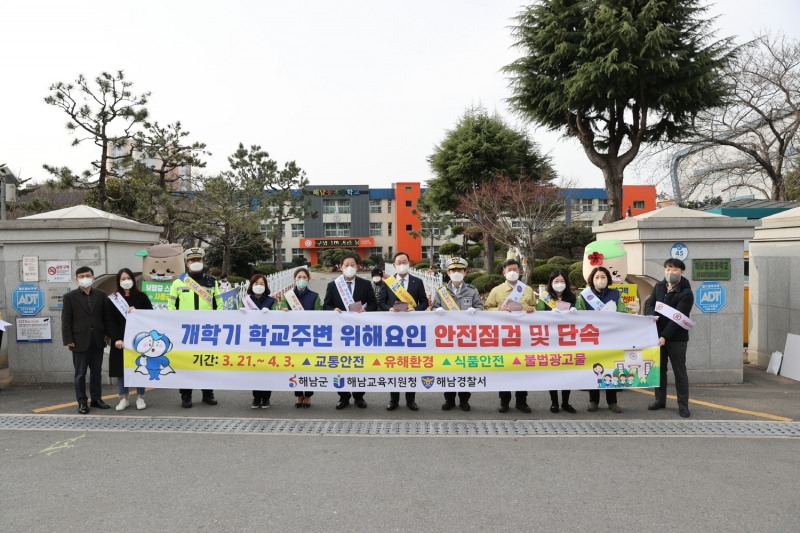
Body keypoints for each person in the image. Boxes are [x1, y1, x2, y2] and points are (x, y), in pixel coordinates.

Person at [168, 247, 223, 408]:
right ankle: (186, 395)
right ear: (187, 263)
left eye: (198, 260)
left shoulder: (212, 282)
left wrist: (217, 322)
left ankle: (208, 393)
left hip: (207, 331)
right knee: (186, 364)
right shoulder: (178, 282)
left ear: (203, 261)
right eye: (192, 260)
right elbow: (171, 306)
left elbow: (219, 304)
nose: (196, 263)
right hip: (186, 331)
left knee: (207, 363)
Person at [323, 253, 378, 409]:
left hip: (360, 332)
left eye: (352, 265)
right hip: (340, 333)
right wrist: (333, 309)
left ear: (358, 266)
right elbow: (326, 306)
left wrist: (366, 311)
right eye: (346, 265)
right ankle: (343, 396)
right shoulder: (333, 285)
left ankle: (359, 396)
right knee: (341, 364)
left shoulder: (365, 284)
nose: (349, 268)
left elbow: (374, 305)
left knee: (359, 364)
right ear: (340, 267)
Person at [485, 259, 537, 413]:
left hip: (523, 337)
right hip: (503, 337)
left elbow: (535, 308)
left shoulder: (527, 290)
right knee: (504, 369)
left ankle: (522, 401)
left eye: (515, 269)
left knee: (522, 369)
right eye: (509, 269)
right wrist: (499, 311)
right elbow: (487, 309)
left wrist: (531, 310)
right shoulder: (496, 291)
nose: (512, 271)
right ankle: (504, 401)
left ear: (520, 271)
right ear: (504, 272)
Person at [431, 257, 483, 411]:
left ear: (465, 272)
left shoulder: (472, 290)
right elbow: (433, 308)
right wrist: (436, 311)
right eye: (453, 270)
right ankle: (449, 399)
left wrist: (475, 311)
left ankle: (464, 400)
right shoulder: (441, 292)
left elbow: (480, 308)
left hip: (466, 337)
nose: (456, 273)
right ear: (448, 272)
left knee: (465, 369)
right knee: (448, 369)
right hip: (447, 337)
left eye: (459, 270)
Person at [645, 258, 695, 418]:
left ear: (682, 271)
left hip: (677, 338)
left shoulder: (686, 293)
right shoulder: (659, 286)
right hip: (657, 335)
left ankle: (683, 405)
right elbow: (649, 304)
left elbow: (678, 318)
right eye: (667, 269)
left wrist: (665, 336)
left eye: (674, 270)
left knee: (679, 372)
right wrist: (652, 316)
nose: (670, 272)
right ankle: (660, 400)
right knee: (659, 371)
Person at [576, 265, 627, 413]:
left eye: (603, 277)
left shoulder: (615, 294)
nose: (600, 280)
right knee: (594, 368)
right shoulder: (584, 296)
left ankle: (612, 401)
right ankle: (593, 400)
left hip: (611, 338)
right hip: (591, 338)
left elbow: (622, 312)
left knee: (611, 368)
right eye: (597, 277)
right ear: (591, 279)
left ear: (608, 279)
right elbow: (579, 315)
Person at [61, 266, 110, 414]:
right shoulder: (69, 297)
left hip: (97, 340)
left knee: (96, 372)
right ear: (76, 279)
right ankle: (82, 402)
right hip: (78, 340)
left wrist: (107, 334)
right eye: (81, 276)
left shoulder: (101, 295)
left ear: (93, 277)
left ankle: (96, 399)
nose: (85, 278)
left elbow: (106, 317)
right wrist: (68, 339)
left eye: (88, 275)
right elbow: (66, 320)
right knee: (80, 373)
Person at [385, 251, 429, 411]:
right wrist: (388, 308)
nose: (402, 264)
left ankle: (411, 400)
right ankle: (393, 400)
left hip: (412, 329)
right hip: (393, 330)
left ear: (409, 263)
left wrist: (415, 309)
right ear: (394, 265)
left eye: (405, 261)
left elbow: (424, 302)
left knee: (411, 364)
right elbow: (381, 302)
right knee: (394, 365)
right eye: (399, 262)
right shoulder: (388, 282)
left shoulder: (417, 281)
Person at [107, 268, 153, 411]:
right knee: (121, 370)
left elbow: (150, 316)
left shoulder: (142, 297)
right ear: (118, 281)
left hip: (138, 339)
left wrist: (137, 312)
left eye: (128, 278)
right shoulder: (113, 299)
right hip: (121, 340)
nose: (126, 281)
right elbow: (110, 320)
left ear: (133, 279)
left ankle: (140, 397)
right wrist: (116, 339)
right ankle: (123, 398)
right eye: (122, 279)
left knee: (140, 367)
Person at [535, 269, 578, 414]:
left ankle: (566, 402)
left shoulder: (572, 298)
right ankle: (554, 403)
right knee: (552, 371)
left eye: (562, 281)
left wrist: (574, 313)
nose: (559, 284)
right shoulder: (545, 297)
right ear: (551, 283)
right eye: (556, 281)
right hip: (550, 339)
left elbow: (580, 318)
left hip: (567, 340)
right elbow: (538, 315)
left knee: (567, 372)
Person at [279, 267, 322, 407]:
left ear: (309, 279)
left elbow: (319, 313)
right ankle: (298, 395)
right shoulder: (288, 296)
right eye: (298, 277)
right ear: (294, 279)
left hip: (310, 336)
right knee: (296, 365)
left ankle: (308, 395)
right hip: (294, 336)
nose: (301, 280)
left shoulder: (314, 296)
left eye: (304, 277)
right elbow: (282, 311)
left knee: (309, 366)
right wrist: (283, 310)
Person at [242, 273, 279, 409]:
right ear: (251, 285)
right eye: (256, 283)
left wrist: (271, 314)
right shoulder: (245, 301)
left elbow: (278, 318)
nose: (259, 286)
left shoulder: (271, 301)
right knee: (254, 370)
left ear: (266, 286)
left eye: (262, 284)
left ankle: (266, 398)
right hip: (252, 341)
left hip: (268, 340)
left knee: (267, 369)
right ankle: (256, 397)